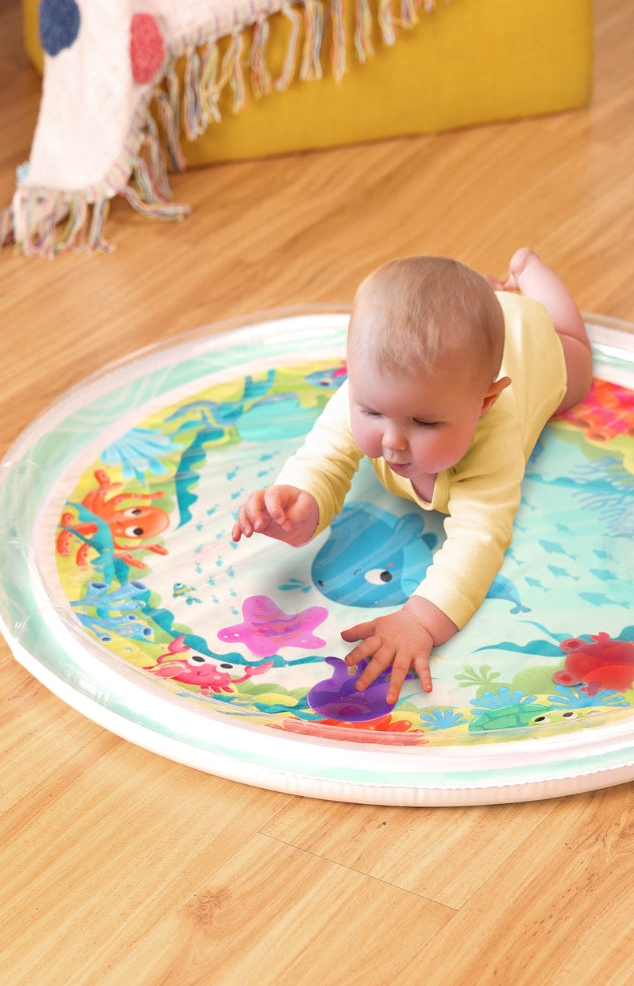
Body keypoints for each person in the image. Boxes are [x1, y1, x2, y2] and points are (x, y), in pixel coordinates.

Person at [232, 248, 592, 704]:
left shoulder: (494, 434)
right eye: (371, 412)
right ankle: (493, 295)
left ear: (484, 403)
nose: (393, 442)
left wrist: (421, 619)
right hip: (470, 344)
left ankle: (527, 272)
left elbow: (480, 537)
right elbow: (323, 457)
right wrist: (302, 503)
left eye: (425, 423)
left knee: (576, 358)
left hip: (530, 342)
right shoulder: (367, 391)